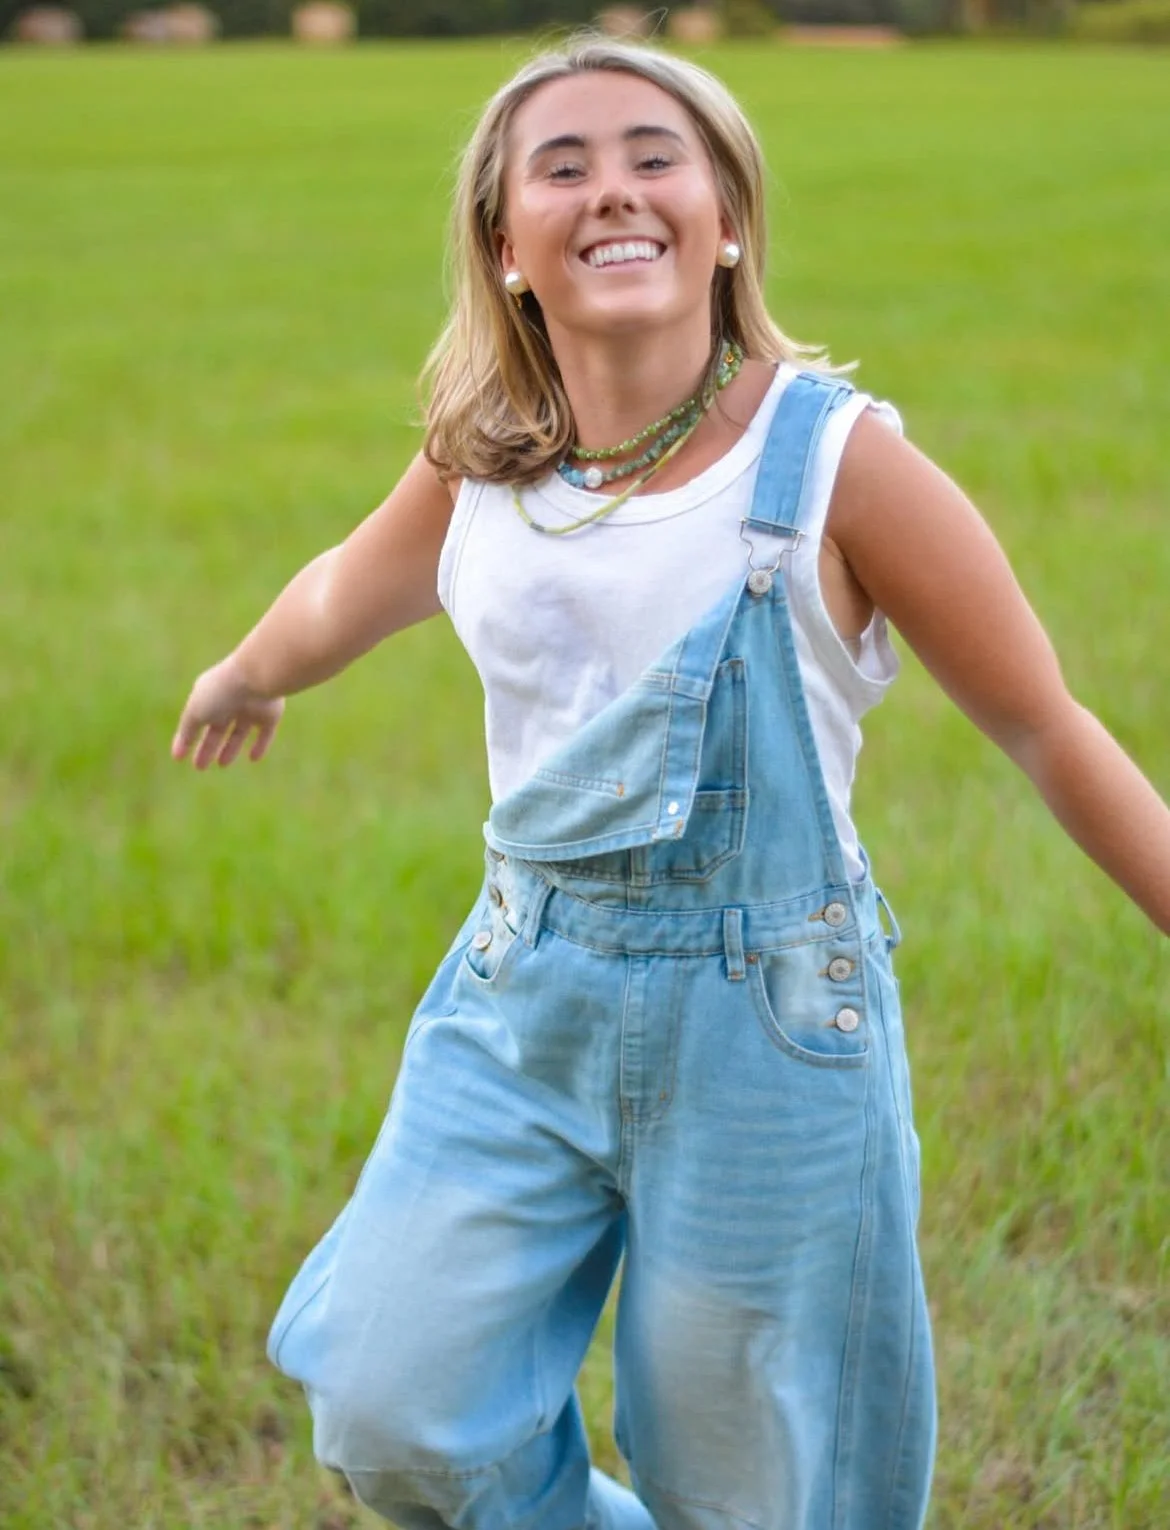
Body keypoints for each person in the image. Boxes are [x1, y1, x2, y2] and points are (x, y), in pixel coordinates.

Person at [172, 35, 1170, 1530]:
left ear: (729, 219)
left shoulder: (834, 464)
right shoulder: (485, 467)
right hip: (521, 998)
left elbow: (1042, 723)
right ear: (506, 247)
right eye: (559, 168)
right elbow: (343, 592)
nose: (611, 190)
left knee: (755, 1472)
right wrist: (250, 670)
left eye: (654, 155)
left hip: (768, 1026)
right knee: (392, 1397)